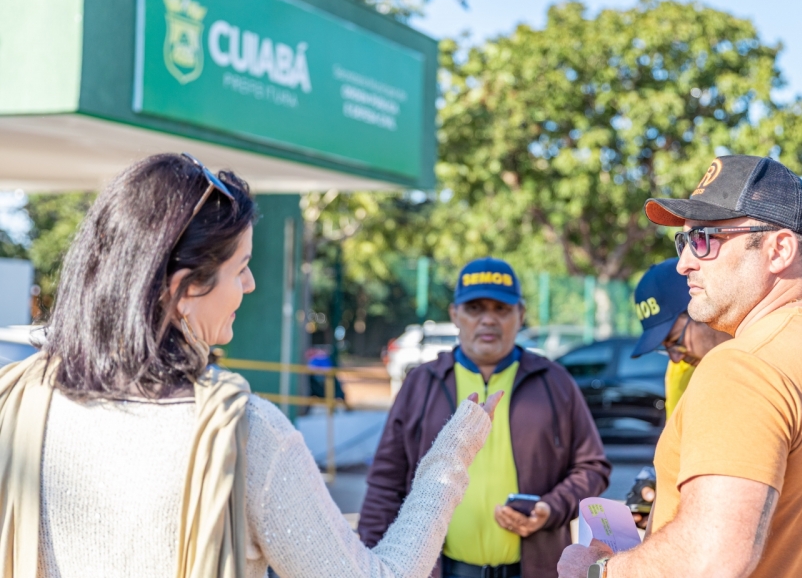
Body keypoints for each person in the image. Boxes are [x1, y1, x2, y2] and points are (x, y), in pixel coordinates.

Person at [4, 152, 501, 578]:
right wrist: (450, 459)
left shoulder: (18, 400)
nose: (250, 286)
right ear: (183, 288)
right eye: (240, 268)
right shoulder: (243, 434)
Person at [559, 155, 802, 577]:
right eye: (683, 243)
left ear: (779, 250)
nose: (684, 264)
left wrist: (599, 571)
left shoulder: (741, 366)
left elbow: (712, 558)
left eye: (704, 239)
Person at [360, 257, 611, 578]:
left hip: (532, 570)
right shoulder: (422, 384)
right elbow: (385, 482)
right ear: (455, 315)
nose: (488, 320)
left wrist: (551, 509)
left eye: (501, 309)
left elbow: (593, 467)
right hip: (441, 570)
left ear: (520, 315)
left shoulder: (554, 382)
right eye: (475, 309)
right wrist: (370, 557)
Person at [628, 259, 730, 528]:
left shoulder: (763, 363)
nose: (675, 358)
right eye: (666, 348)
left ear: (703, 305)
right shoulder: (681, 371)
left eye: (675, 341)